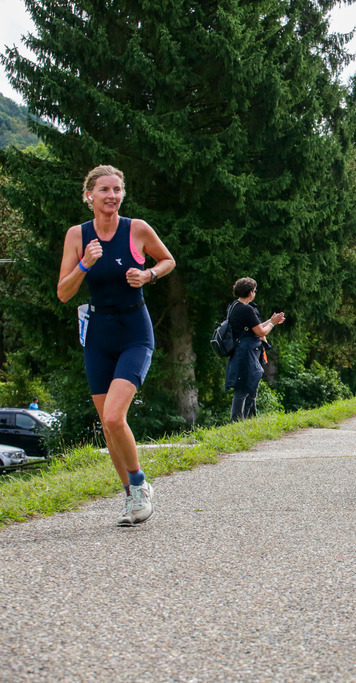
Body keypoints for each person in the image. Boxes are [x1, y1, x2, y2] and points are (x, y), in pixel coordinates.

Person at [57, 164, 176, 527]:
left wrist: (148, 274)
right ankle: (130, 497)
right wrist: (84, 263)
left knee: (114, 415)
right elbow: (64, 292)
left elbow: (167, 260)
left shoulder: (136, 229)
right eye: (105, 190)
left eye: (118, 189)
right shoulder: (77, 236)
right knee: (107, 426)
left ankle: (140, 485)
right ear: (89, 195)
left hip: (134, 332)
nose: (112, 196)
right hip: (97, 335)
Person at [224, 277, 285, 421]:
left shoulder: (234, 306)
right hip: (246, 352)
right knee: (244, 388)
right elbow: (261, 332)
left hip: (241, 350)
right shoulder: (247, 309)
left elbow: (254, 327)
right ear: (251, 292)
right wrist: (273, 324)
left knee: (251, 385)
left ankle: (250, 419)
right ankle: (237, 422)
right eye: (255, 290)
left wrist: (270, 320)